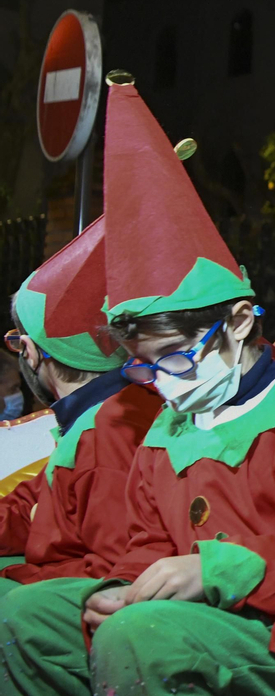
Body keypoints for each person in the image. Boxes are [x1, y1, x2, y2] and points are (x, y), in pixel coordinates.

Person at [0, 78, 275, 696]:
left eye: (174, 359)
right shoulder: (167, 426)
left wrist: (209, 571)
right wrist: (123, 588)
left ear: (238, 322)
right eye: (141, 368)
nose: (160, 384)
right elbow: (145, 540)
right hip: (201, 614)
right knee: (22, 618)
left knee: (143, 636)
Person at [0, 218, 163, 595]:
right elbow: (30, 507)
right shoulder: (102, 413)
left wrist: (16, 580)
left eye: (17, 343)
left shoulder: (106, 431)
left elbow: (113, 571)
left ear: (31, 351)